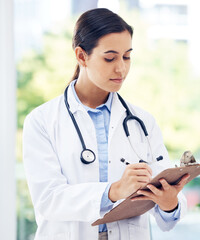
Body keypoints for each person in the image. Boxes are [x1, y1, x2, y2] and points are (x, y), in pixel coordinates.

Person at [23, 8, 189, 240]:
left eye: (127, 56)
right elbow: (48, 200)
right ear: (81, 56)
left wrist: (169, 203)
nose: (121, 68)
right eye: (110, 58)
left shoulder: (143, 122)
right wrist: (114, 191)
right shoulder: (41, 121)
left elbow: (167, 216)